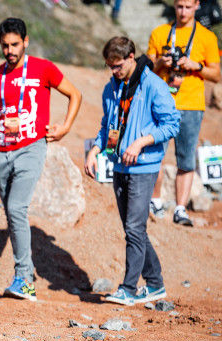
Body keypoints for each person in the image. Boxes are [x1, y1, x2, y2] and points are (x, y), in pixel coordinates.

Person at [0, 17, 81, 301]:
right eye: (5, 45)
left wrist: (65, 127)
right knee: (12, 215)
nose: (10, 50)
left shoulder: (43, 68)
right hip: (1, 152)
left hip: (31, 147)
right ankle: (23, 275)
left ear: (25, 42)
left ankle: (24, 278)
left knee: (16, 208)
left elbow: (74, 94)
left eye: (15, 44)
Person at [85, 37, 180, 306]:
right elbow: (107, 125)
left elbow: (172, 124)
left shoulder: (153, 85)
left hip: (144, 167)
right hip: (119, 165)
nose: (114, 71)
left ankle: (128, 288)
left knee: (134, 227)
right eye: (109, 66)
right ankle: (156, 283)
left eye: (117, 66)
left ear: (131, 57)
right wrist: (95, 149)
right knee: (134, 229)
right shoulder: (112, 87)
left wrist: (141, 141)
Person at [147, 0, 220, 226]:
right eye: (179, 6)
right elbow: (147, 68)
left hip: (191, 104)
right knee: (154, 155)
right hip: (162, 102)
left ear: (197, 5)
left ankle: (180, 209)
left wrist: (195, 66)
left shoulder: (207, 37)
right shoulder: (160, 33)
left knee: (186, 159)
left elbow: (216, 74)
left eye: (188, 7)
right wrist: (161, 61)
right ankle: (154, 202)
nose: (183, 12)